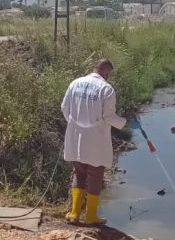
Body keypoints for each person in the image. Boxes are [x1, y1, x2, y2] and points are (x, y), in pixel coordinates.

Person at [60, 59, 140, 225]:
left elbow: (64, 108)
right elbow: (108, 117)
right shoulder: (106, 89)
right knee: (95, 175)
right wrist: (125, 123)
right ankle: (90, 216)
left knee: (79, 172)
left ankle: (74, 213)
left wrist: (75, 124)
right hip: (96, 138)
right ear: (106, 73)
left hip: (75, 136)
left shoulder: (75, 83)